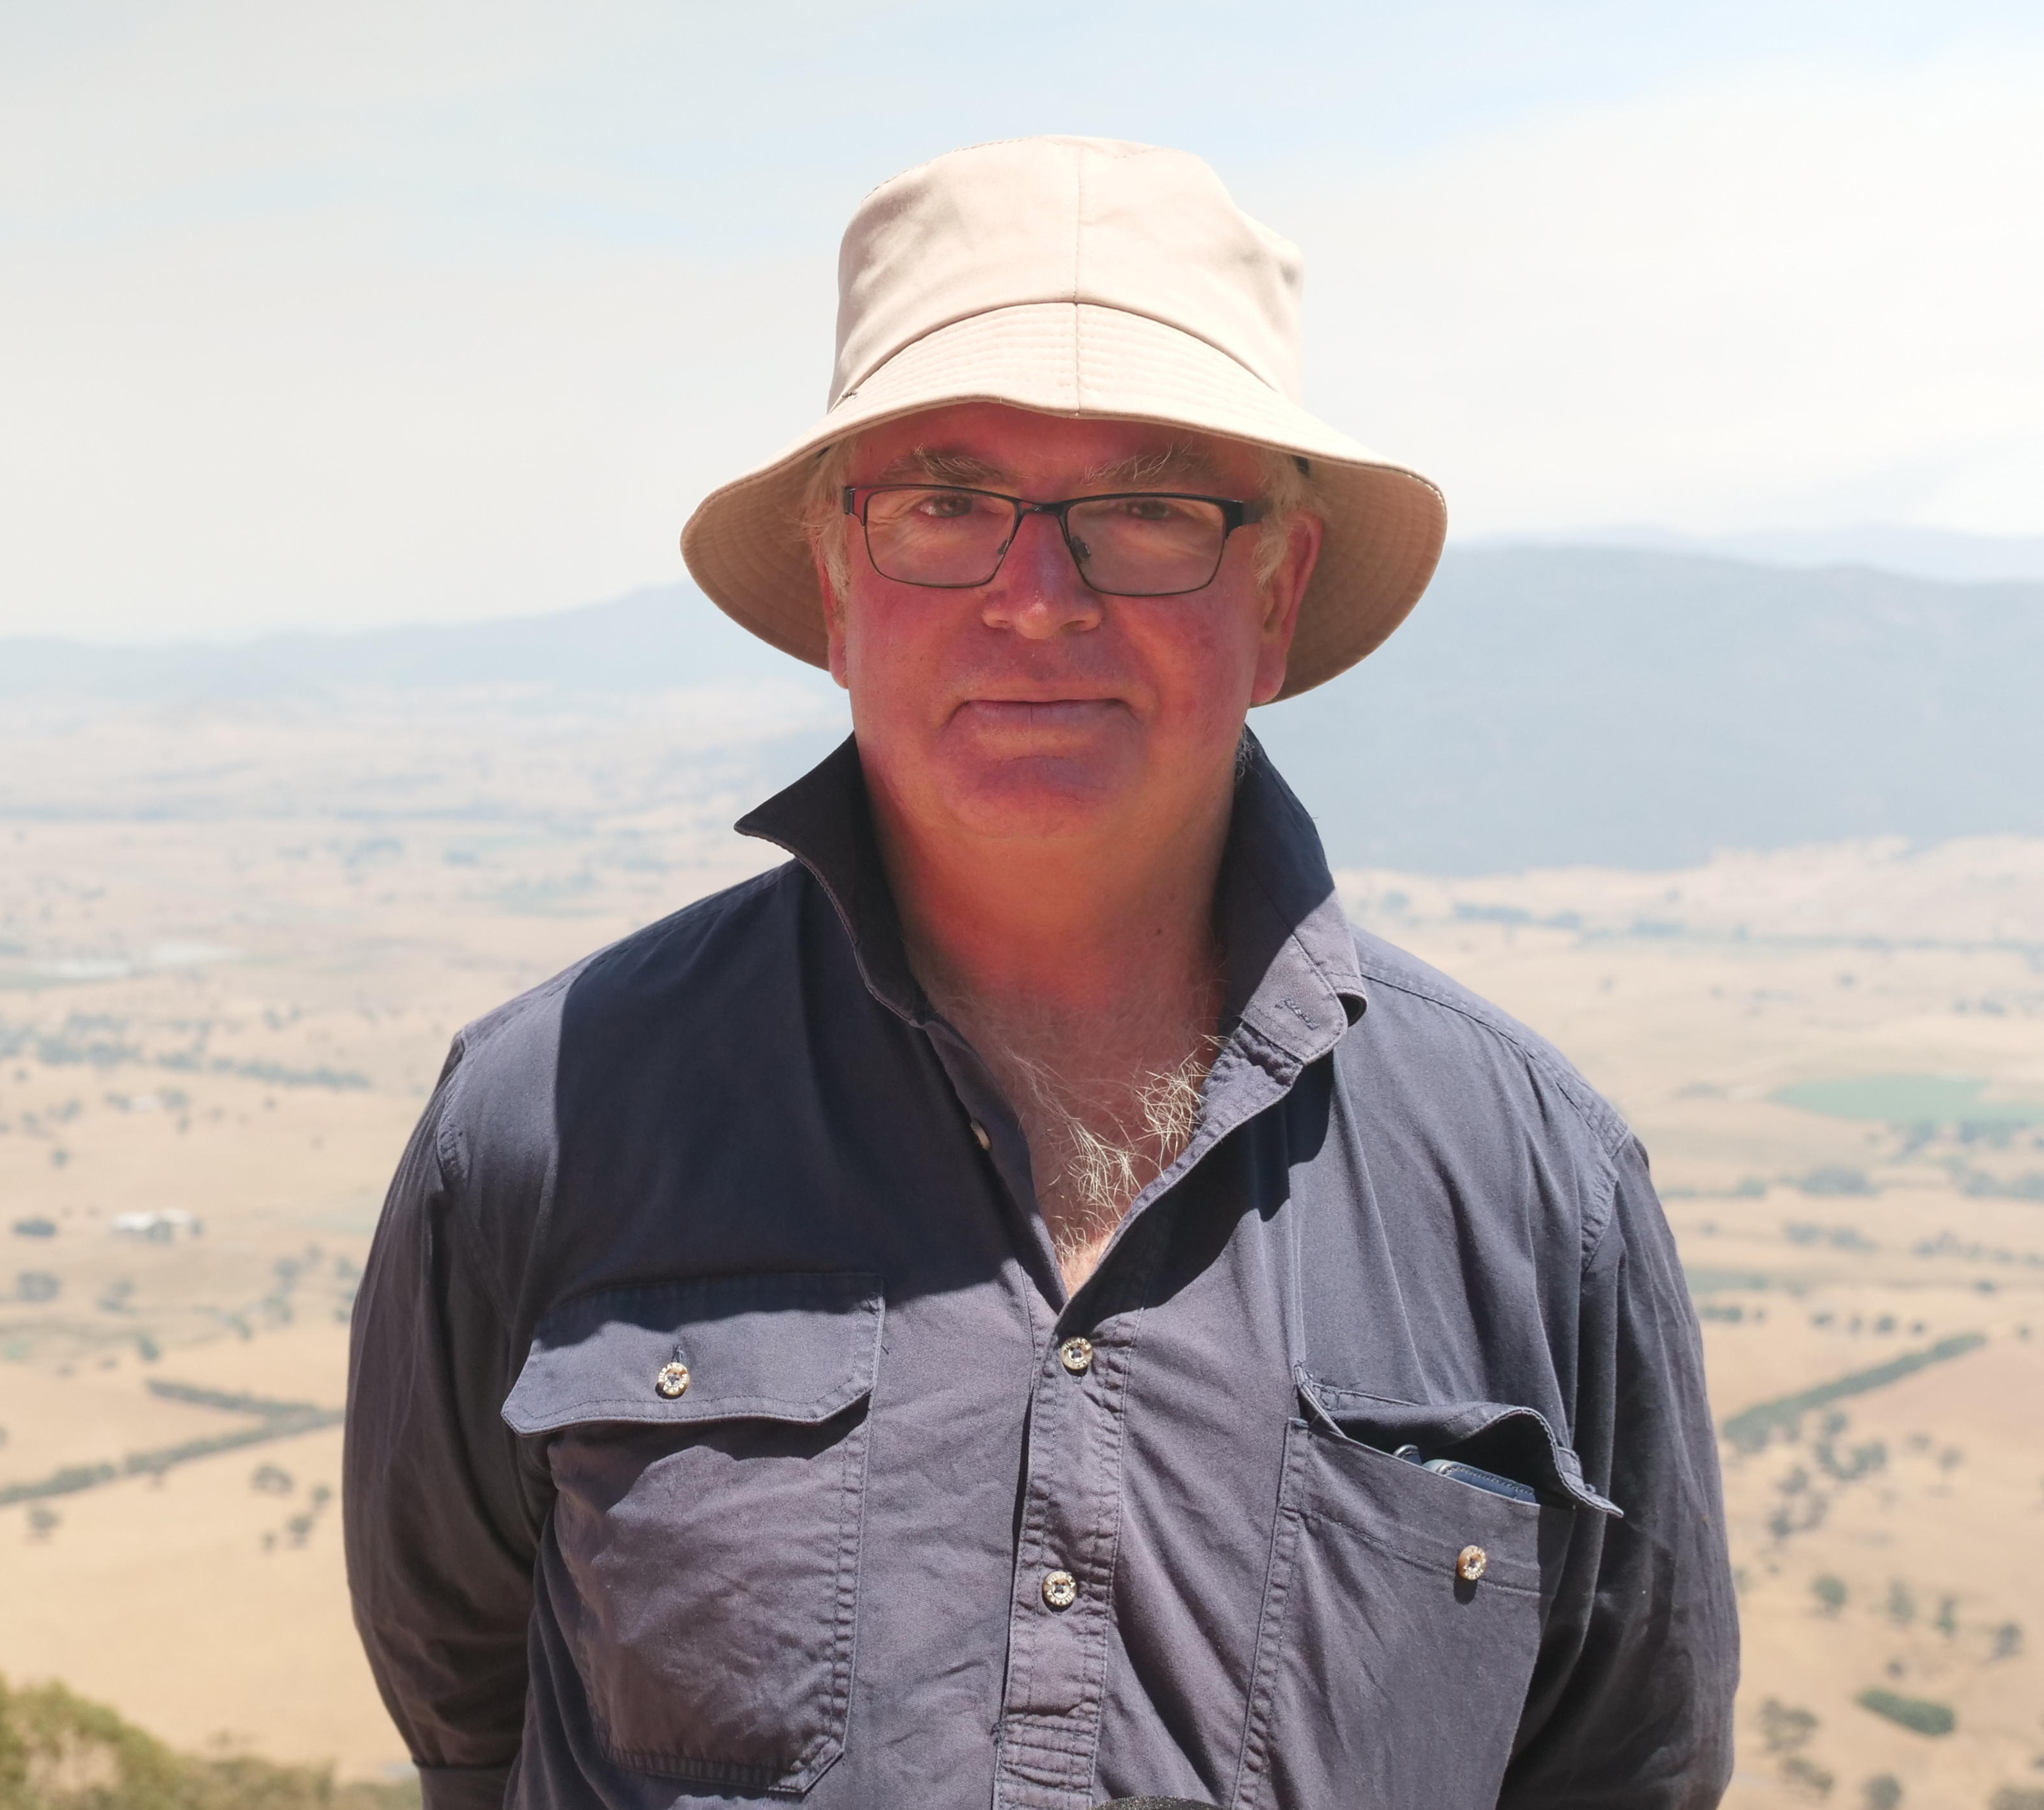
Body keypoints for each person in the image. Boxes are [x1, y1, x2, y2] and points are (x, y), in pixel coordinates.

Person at [343, 136, 1734, 1810]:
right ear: (842, 582)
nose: (1038, 597)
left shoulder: (1536, 1191)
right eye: (946, 507)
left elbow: (1623, 1767)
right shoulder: (544, 1123)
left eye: (1146, 511)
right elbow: (474, 1721)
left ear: (1278, 592)